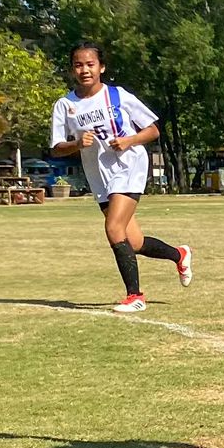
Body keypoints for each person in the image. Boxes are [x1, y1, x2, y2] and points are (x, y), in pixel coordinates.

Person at [50, 43, 191, 313]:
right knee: (133, 241)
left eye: (90, 64)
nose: (85, 70)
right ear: (72, 70)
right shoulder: (65, 105)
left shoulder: (117, 96)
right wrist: (77, 143)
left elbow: (152, 130)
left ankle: (135, 296)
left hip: (129, 166)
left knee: (113, 229)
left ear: (101, 67)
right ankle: (179, 254)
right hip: (99, 175)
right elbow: (56, 148)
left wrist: (130, 141)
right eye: (78, 65)